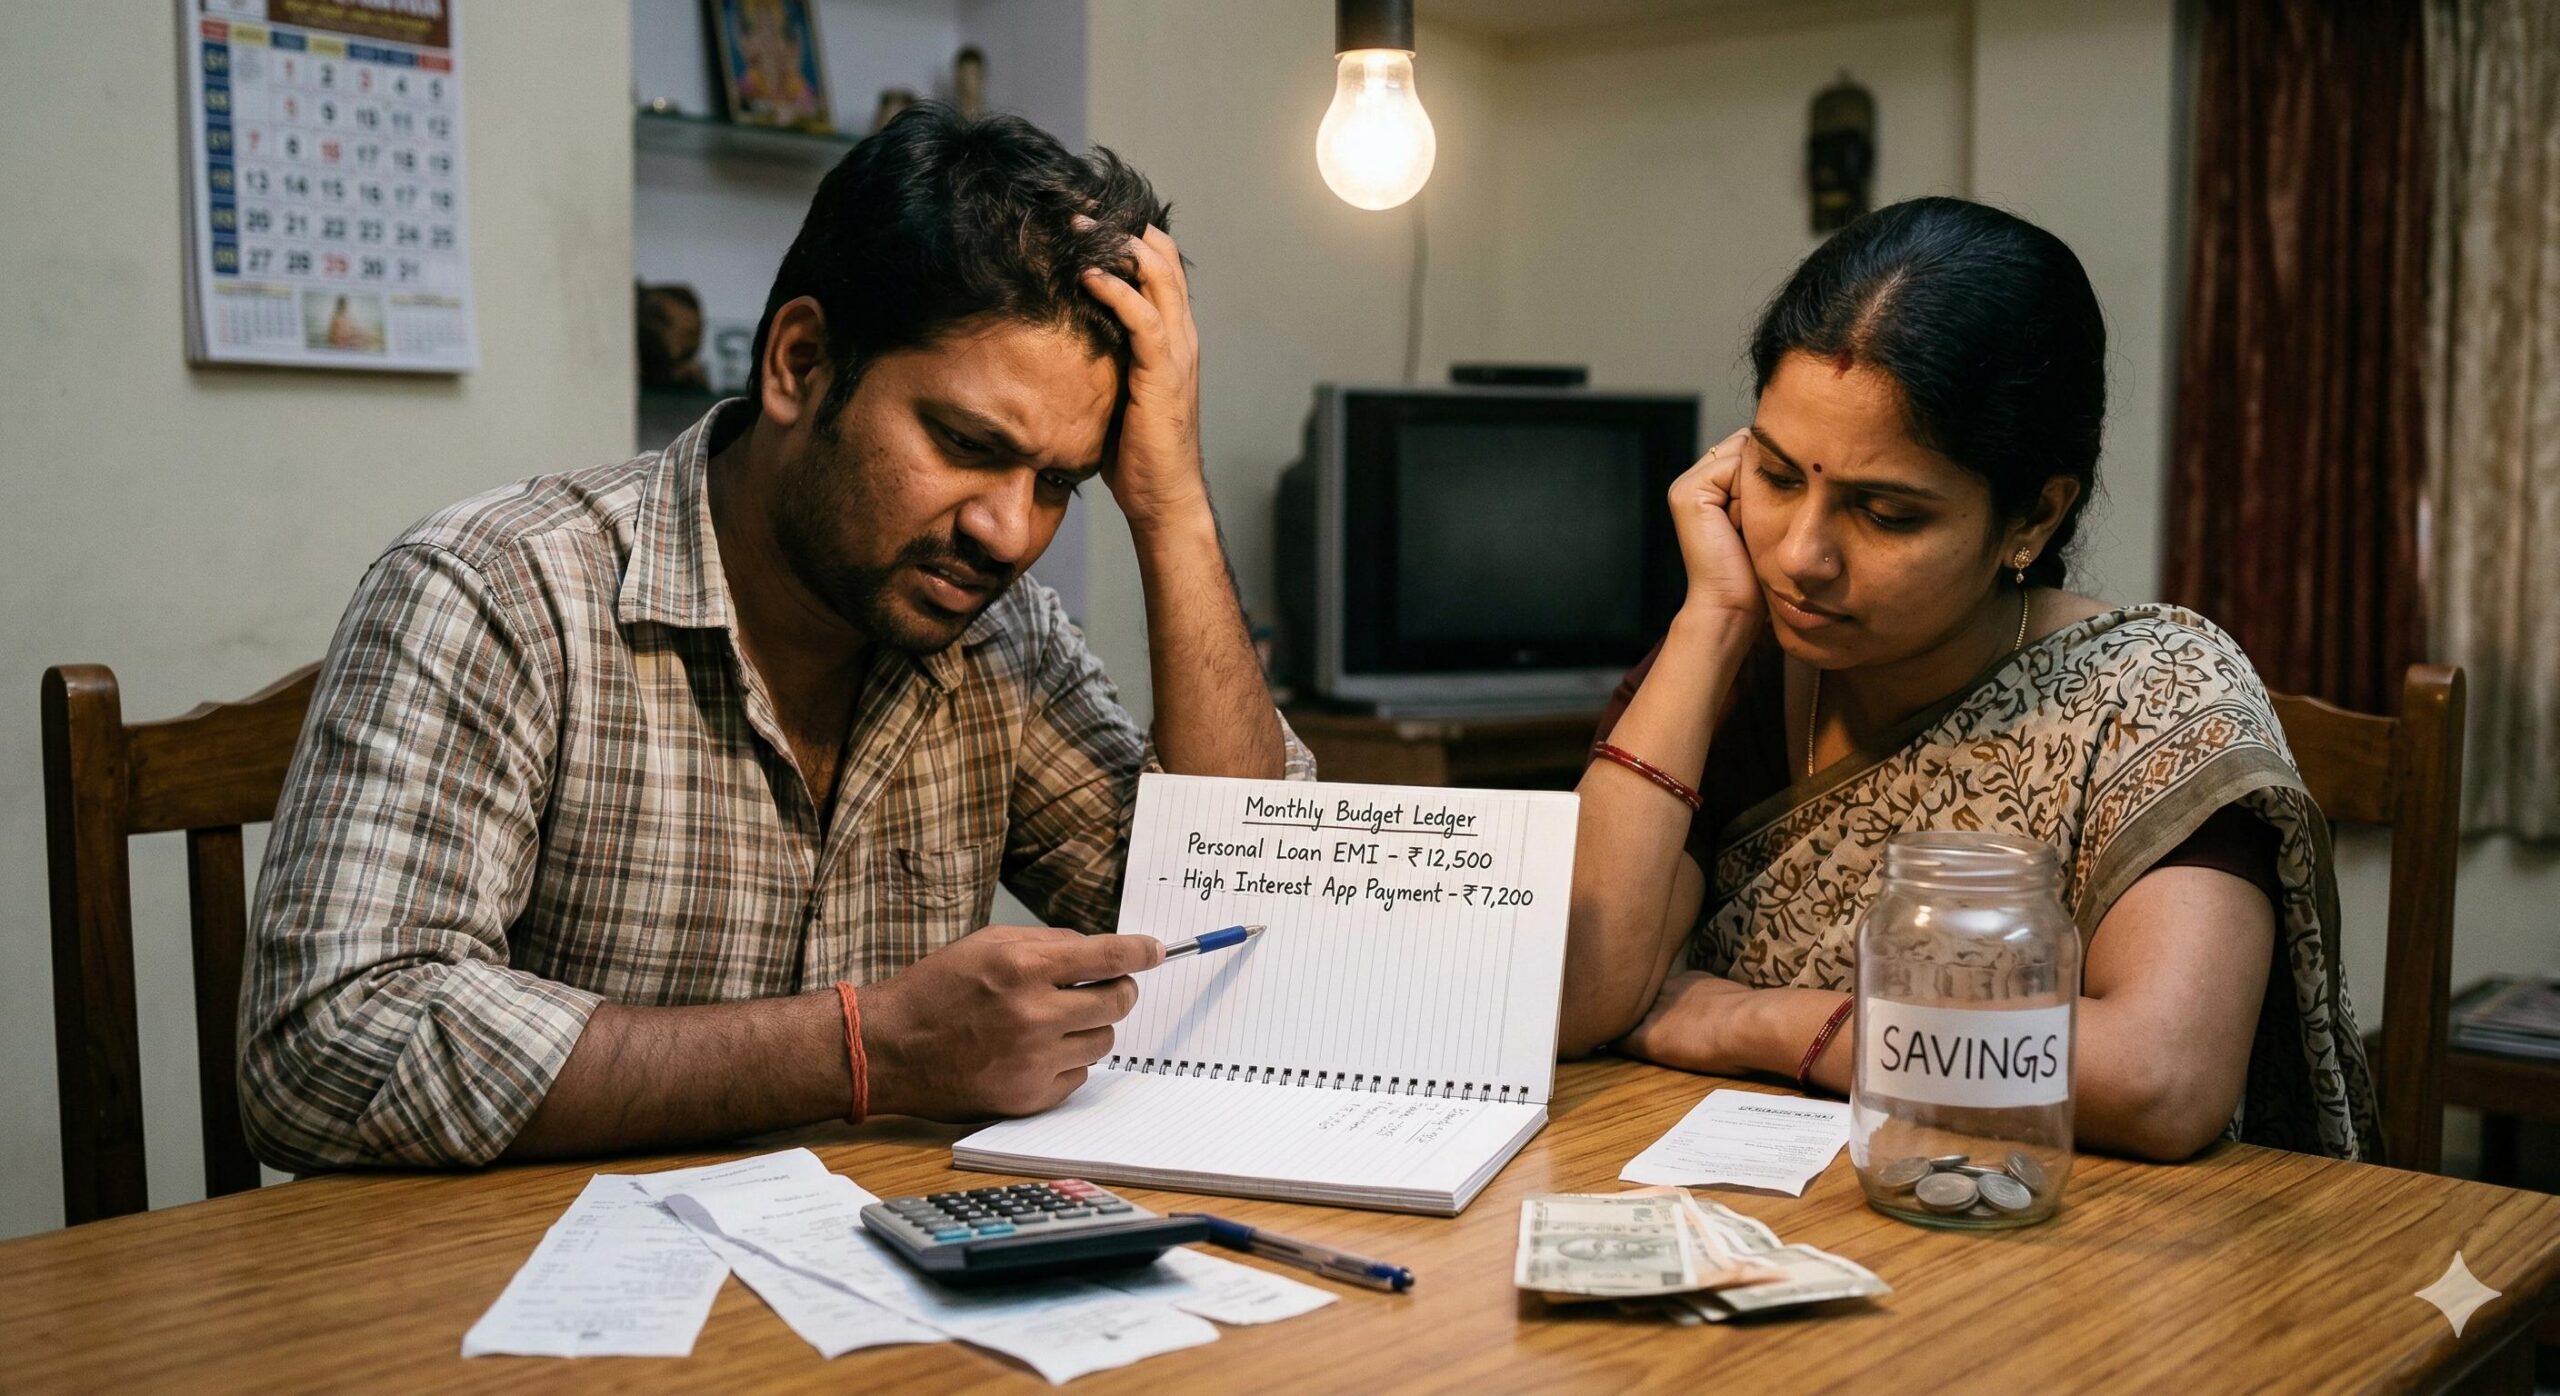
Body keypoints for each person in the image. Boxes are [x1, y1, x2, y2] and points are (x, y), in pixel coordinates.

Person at [241, 107, 1313, 1173]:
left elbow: (1240, 914)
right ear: (799, 362)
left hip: (874, 1284)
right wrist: (868, 1049)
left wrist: (1170, 505)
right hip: (520, 1298)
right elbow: (323, 1048)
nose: (1007, 532)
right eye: (964, 444)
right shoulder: (498, 591)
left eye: (1057, 485)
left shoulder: (1000, 639)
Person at [1562, 197, 2378, 1162]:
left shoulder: (2151, 697)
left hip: (2069, 1248)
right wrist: (1712, 623)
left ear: (2033, 517)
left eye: (1887, 514)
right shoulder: (1736, 653)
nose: (1802, 555)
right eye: (1777, 478)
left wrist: (1762, 1024)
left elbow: (2160, 1078)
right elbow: (1578, 997)